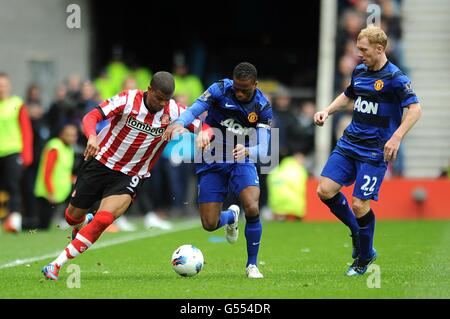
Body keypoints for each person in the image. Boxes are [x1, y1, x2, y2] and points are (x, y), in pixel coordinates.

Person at [41, 71, 207, 281]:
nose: (162, 104)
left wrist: (204, 133)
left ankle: (56, 265)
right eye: (158, 98)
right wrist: (92, 136)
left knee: (103, 219)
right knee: (72, 217)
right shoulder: (127, 99)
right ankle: (83, 225)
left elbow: (203, 125)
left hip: (131, 175)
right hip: (100, 162)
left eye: (166, 100)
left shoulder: (174, 111)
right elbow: (92, 116)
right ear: (149, 90)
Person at [314, 26, 422, 276]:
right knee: (324, 190)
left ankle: (364, 258)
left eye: (363, 49)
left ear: (379, 48)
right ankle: (356, 232)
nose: (358, 53)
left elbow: (415, 109)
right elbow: (348, 95)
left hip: (374, 151)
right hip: (349, 143)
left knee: (359, 204)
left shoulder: (396, 78)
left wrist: (396, 137)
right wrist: (327, 111)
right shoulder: (360, 70)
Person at [164, 62, 272, 279]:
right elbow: (194, 110)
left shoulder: (262, 106)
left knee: (252, 205)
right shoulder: (220, 89)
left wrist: (248, 150)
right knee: (209, 224)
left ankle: (252, 265)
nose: (240, 94)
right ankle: (231, 216)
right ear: (233, 82)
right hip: (211, 157)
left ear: (255, 85)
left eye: (246, 90)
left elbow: (264, 147)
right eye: (238, 89)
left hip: (240, 157)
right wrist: (179, 123)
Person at [0, 73, 33, 233]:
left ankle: (14, 219)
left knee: (13, 186)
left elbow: (26, 130)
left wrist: (26, 155)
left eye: (3, 84)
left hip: (13, 151)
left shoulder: (17, 104)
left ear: (9, 86)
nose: (1, 87)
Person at [34, 124, 78, 229]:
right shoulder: (55, 147)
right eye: (69, 135)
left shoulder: (69, 149)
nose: (72, 138)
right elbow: (47, 171)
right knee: (42, 226)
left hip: (62, 191)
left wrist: (72, 179)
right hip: (48, 194)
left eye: (74, 135)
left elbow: (63, 170)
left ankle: (67, 221)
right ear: (62, 134)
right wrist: (50, 192)